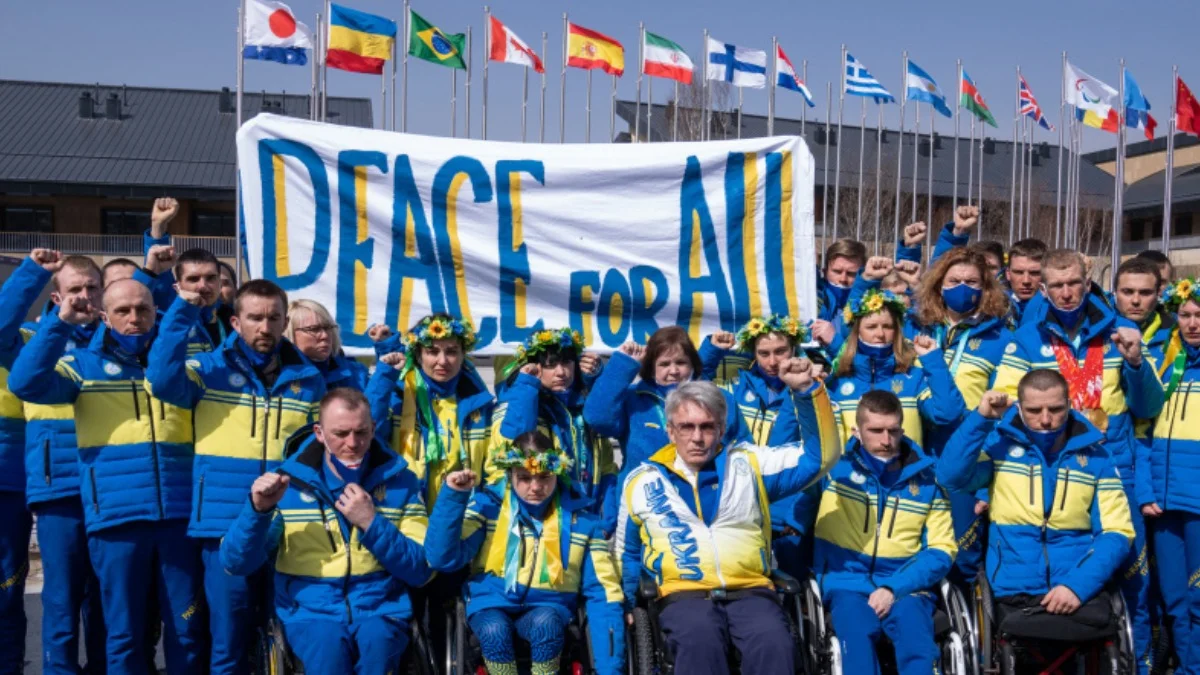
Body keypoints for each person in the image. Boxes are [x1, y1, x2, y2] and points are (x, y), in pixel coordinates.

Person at [8, 278, 204, 675]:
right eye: (123, 311)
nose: (135, 319)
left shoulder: (180, 362)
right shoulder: (82, 364)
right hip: (116, 518)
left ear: (156, 311)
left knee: (187, 629)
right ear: (104, 316)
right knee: (124, 634)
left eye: (144, 309)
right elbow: (24, 382)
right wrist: (60, 323)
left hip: (179, 517)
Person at [993, 249, 1164, 673]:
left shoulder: (1121, 333)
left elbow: (1148, 406)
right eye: (1058, 286)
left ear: (1088, 284)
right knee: (1066, 567)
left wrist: (1137, 362)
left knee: (1134, 585)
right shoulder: (1027, 340)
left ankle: (1137, 666)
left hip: (1113, 470)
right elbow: (1004, 411)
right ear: (1045, 290)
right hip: (1053, 471)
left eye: (1074, 284)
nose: (1067, 293)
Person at [145, 279, 327, 675]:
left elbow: (316, 448)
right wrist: (182, 311)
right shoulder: (207, 369)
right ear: (235, 321)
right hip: (223, 523)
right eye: (255, 318)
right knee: (228, 638)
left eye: (274, 318)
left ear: (285, 322)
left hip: (288, 524)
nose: (265, 327)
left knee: (285, 631)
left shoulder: (309, 378)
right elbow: (160, 381)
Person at [616, 367, 841, 675]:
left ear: (722, 430)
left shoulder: (749, 464)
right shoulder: (641, 481)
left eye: (707, 427)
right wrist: (627, 605)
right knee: (699, 643)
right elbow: (626, 553)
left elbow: (820, 458)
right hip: (683, 594)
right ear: (671, 430)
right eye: (687, 427)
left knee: (774, 644)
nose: (697, 437)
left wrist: (806, 392)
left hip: (751, 590)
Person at [220, 388, 431, 674]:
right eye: (340, 434)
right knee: (327, 654)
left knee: (378, 650)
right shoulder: (288, 484)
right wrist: (258, 510)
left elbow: (421, 569)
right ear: (319, 433)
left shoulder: (401, 481)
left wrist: (371, 522)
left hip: (380, 609)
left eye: (361, 432)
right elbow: (236, 562)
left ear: (373, 430)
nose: (352, 443)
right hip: (310, 612)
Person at [937, 373, 1134, 648]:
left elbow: (1118, 532)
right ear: (1019, 408)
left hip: (1079, 589)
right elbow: (950, 477)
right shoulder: (999, 448)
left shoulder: (1097, 457)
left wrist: (1077, 586)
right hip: (1014, 590)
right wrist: (981, 418)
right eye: (1033, 410)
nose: (1045, 419)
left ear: (1069, 404)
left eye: (1055, 409)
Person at [425, 431, 625, 675]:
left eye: (544, 477)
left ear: (557, 473)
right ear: (510, 475)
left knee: (546, 625)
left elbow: (603, 594)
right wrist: (453, 498)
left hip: (550, 607)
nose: (535, 487)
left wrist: (609, 670)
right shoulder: (487, 509)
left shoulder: (582, 522)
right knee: (493, 631)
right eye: (524, 478)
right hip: (491, 604)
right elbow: (440, 558)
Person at [0, 251, 109, 674]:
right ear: (57, 294)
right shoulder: (31, 338)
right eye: (74, 289)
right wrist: (32, 274)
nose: (84, 296)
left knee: (106, 601)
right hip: (58, 486)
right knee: (61, 600)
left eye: (91, 288)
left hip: (110, 488)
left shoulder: (117, 340)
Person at [805, 390, 956, 675]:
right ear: (856, 431)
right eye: (875, 431)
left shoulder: (927, 480)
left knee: (918, 643)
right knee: (857, 642)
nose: (886, 441)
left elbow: (942, 550)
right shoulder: (832, 469)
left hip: (907, 586)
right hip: (846, 582)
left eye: (893, 431)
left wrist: (893, 588)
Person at [910, 246, 1015, 586]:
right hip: (917, 455)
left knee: (963, 561)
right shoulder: (918, 329)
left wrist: (987, 487)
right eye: (954, 280)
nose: (962, 287)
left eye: (972, 281)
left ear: (986, 288)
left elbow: (1005, 416)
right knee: (915, 551)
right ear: (939, 284)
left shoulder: (1001, 338)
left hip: (970, 462)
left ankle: (968, 625)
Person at [583, 326, 750, 496]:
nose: (674, 371)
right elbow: (597, 418)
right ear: (651, 368)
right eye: (664, 364)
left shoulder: (719, 398)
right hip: (645, 502)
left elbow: (744, 448)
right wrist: (623, 364)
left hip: (709, 500)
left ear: (693, 364)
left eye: (681, 362)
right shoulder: (633, 399)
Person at [1138, 277, 1200, 674]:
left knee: (1198, 598)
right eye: (1187, 314)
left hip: (1196, 504)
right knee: (1174, 598)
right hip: (1164, 502)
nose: (1193, 323)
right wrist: (1146, 490)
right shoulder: (1166, 363)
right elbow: (1142, 432)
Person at [492, 328, 615, 518]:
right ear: (534, 366)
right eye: (550, 365)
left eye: (567, 362)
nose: (561, 372)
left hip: (590, 516)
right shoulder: (524, 407)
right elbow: (517, 439)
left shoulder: (586, 409)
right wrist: (527, 384)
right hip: (551, 519)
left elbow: (606, 463)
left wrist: (609, 511)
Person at [823, 288, 966, 447]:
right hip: (852, 472)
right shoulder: (836, 382)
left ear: (897, 331)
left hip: (905, 471)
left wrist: (933, 360)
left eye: (888, 326)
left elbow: (948, 414)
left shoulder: (914, 378)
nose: (880, 334)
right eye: (871, 327)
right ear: (857, 332)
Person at [699, 314, 809, 444]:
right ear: (754, 354)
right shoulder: (734, 389)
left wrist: (833, 345)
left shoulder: (809, 392)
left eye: (780, 352)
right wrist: (712, 351)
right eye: (764, 353)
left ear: (793, 349)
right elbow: (693, 387)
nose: (772, 362)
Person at [286, 299, 368, 390]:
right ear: (290, 332)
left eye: (328, 328)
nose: (325, 336)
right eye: (314, 329)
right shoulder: (275, 377)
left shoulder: (357, 375)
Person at [817, 238, 867, 322]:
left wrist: (832, 335)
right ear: (825, 273)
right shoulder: (815, 298)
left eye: (851, 273)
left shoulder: (870, 304)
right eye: (837, 272)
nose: (843, 279)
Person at [1004, 238, 1048, 329]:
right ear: (1008, 274)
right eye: (1019, 272)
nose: (1026, 281)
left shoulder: (1057, 309)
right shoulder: (991, 307)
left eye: (1034, 273)